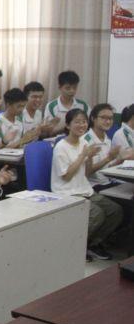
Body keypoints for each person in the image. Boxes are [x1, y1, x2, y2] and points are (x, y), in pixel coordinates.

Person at [50, 109, 124, 261]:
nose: (81, 125)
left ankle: (91, 244)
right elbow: (67, 176)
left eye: (83, 121)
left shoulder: (84, 142)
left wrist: (104, 158)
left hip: (84, 188)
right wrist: (83, 155)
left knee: (116, 211)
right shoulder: (61, 147)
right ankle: (74, 246)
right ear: (68, 125)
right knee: (97, 214)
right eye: (76, 122)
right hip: (66, 192)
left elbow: (87, 173)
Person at [84, 104, 131, 189]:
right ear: (93, 118)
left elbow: (108, 168)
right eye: (103, 118)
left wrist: (120, 159)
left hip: (108, 183)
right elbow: (87, 172)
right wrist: (108, 158)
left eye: (110, 118)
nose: (108, 121)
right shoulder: (85, 141)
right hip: (93, 186)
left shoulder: (107, 140)